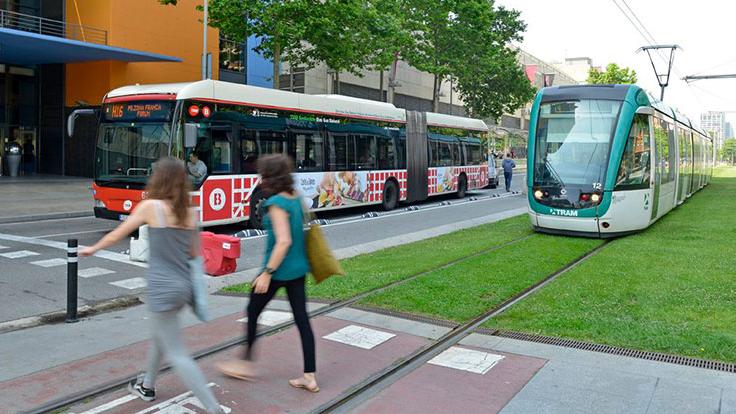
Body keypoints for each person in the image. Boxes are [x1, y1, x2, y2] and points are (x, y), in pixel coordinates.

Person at [79, 158, 224, 414]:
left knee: (177, 353)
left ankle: (213, 409)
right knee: (162, 337)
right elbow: (193, 251)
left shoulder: (151, 207)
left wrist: (92, 249)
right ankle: (146, 385)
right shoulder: (190, 210)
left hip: (162, 287)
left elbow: (117, 233)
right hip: (183, 286)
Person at [217, 154, 319, 393]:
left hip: (278, 271)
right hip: (298, 269)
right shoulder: (293, 197)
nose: (259, 177)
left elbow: (283, 242)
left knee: (253, 311)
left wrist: (267, 273)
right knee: (302, 321)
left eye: (262, 173)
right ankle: (310, 376)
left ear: (269, 176)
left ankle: (245, 364)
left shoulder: (275, 204)